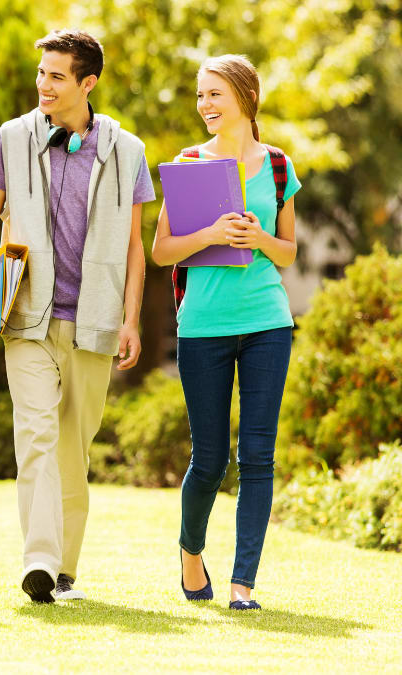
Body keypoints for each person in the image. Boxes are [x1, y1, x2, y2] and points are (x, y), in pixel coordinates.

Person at [0, 29, 154, 603]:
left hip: (93, 319)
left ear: (87, 82)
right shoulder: (11, 138)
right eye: (41, 74)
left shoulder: (127, 150)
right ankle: (40, 562)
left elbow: (133, 247)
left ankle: (65, 567)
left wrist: (131, 319)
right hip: (26, 315)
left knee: (73, 448)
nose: (42, 85)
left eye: (56, 76)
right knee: (37, 438)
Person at [151, 54, 300, 611]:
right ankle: (191, 553)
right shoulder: (189, 163)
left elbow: (288, 251)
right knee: (209, 459)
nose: (205, 105)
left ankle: (243, 585)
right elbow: (162, 249)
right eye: (200, 95)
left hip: (267, 320)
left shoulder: (279, 165)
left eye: (215, 94)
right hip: (204, 326)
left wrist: (259, 238)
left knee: (258, 456)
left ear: (244, 96)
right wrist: (211, 232)